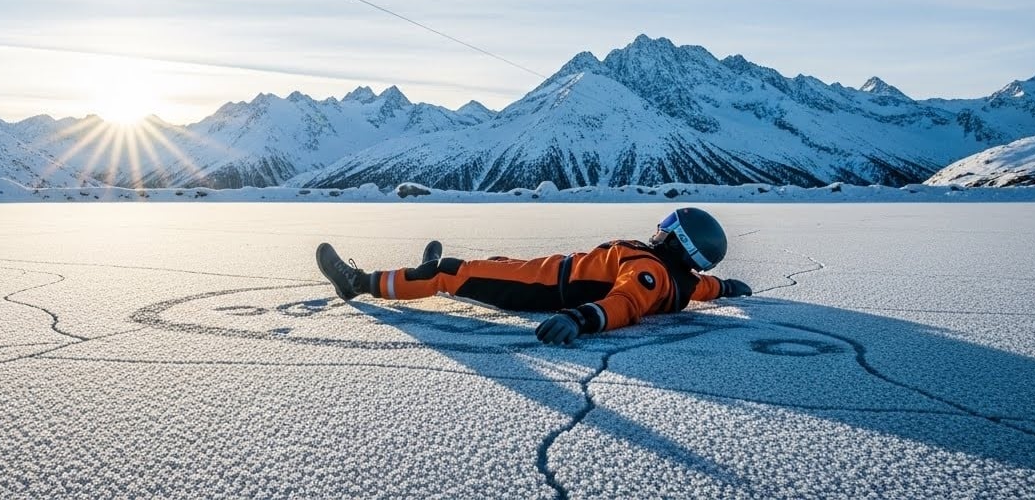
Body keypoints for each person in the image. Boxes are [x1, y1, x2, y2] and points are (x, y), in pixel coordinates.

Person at [314, 207, 753, 345]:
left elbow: (626, 303)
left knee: (451, 273)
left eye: (667, 230)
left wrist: (581, 319)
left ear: (679, 244)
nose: (658, 231)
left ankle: (360, 284)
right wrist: (730, 287)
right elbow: (706, 286)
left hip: (540, 287)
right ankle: (419, 271)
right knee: (488, 262)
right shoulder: (685, 279)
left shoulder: (649, 272)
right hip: (542, 269)